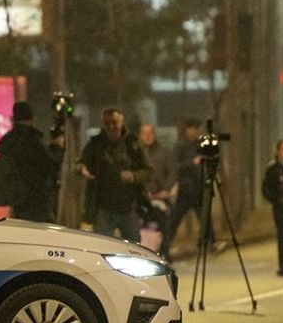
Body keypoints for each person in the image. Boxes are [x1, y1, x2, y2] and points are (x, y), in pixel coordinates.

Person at [79, 107, 153, 243]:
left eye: (114, 122)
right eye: (107, 123)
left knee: (134, 247)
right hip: (104, 207)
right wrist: (82, 169)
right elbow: (80, 164)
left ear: (121, 122)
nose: (111, 126)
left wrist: (133, 176)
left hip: (128, 206)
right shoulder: (95, 144)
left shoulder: (133, 143)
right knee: (102, 246)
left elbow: (148, 171)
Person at [0, 102, 57, 223]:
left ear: (12, 119)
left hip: (17, 206)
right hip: (39, 207)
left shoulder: (8, 143)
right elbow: (51, 168)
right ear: (32, 118)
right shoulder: (36, 142)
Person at [159, 118, 204, 258]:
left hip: (198, 187)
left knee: (204, 218)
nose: (194, 131)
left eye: (196, 128)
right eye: (192, 128)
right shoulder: (180, 146)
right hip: (185, 188)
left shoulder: (201, 145)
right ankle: (165, 245)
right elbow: (176, 166)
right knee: (176, 219)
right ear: (187, 130)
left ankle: (210, 243)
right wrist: (192, 163)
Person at [138, 123, 175, 246]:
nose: (148, 137)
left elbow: (172, 172)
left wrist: (165, 190)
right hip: (141, 201)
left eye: (150, 133)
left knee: (164, 227)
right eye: (145, 133)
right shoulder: (136, 154)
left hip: (161, 199)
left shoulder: (164, 152)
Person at [262, 140, 283, 276]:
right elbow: (266, 187)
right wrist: (274, 199)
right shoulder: (272, 169)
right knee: (282, 236)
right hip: (280, 206)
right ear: (278, 151)